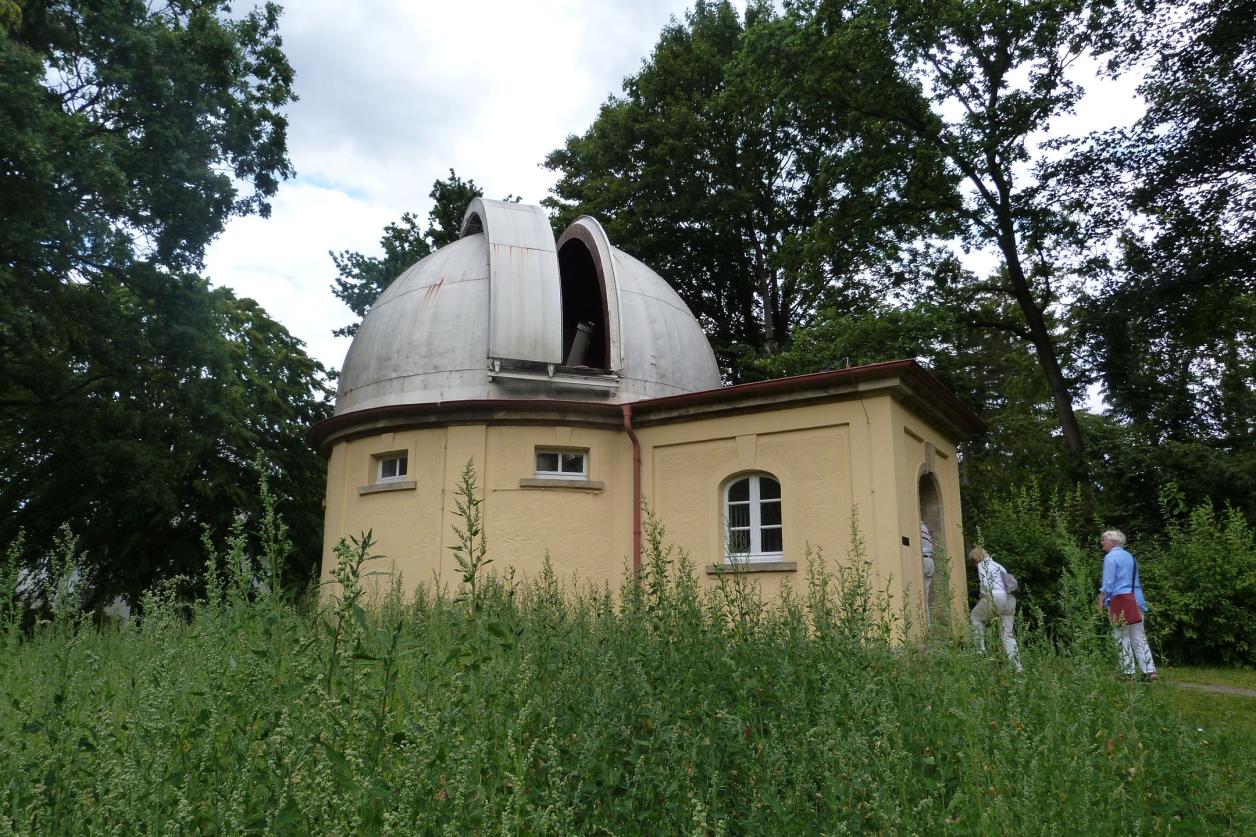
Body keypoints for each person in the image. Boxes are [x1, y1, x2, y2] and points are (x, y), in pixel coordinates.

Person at [1098, 529, 1157, 681]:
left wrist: (1101, 599)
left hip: (1120, 600)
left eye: (1104, 539)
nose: (1102, 542)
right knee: (1139, 636)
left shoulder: (1110, 557)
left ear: (1112, 542)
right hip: (1136, 599)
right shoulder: (1130, 557)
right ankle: (1149, 671)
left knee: (1121, 636)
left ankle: (1128, 672)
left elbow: (1108, 583)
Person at [969, 547, 1022, 670]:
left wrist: (983, 595)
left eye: (973, 561)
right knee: (1007, 635)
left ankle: (980, 652)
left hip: (996, 597)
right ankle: (1017, 667)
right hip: (1010, 598)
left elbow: (986, 583)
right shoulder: (998, 565)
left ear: (976, 558)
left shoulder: (982, 565)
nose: (974, 565)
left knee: (975, 616)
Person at [920, 520, 935, 623]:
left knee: (921, 597)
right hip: (930, 560)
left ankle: (926, 626)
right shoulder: (924, 526)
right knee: (926, 595)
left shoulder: (916, 525)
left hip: (923, 561)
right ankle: (928, 625)